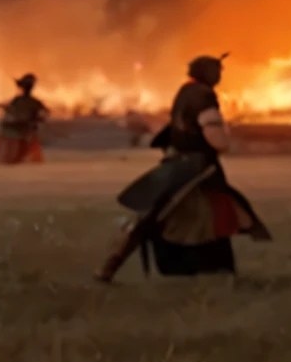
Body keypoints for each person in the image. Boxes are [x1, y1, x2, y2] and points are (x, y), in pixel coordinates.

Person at [96, 55, 270, 280]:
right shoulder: (203, 95)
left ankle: (112, 265)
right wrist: (222, 135)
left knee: (157, 215)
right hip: (196, 169)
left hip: (180, 163)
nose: (220, 76)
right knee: (176, 215)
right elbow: (217, 139)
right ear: (206, 72)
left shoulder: (185, 91)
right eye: (216, 70)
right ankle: (202, 267)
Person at [0, 73, 51, 165]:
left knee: (7, 154)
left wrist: (37, 119)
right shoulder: (24, 101)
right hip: (16, 131)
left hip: (19, 132)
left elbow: (45, 113)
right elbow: (8, 107)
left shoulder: (28, 101)